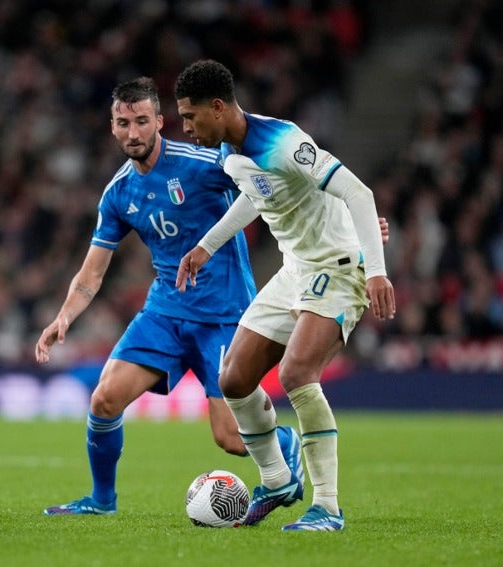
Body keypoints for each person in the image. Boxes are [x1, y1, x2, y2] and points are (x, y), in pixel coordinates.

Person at [35, 77, 304, 516]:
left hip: (225, 314)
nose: (133, 132)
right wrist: (64, 317)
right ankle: (102, 501)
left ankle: (286, 441)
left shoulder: (200, 165)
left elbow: (263, 188)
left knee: (230, 439)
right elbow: (92, 273)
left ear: (160, 121)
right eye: (124, 123)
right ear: (113, 127)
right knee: (104, 399)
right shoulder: (119, 193)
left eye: (142, 121)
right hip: (164, 313)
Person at [174, 59, 396, 531]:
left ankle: (328, 508)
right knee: (232, 378)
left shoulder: (284, 142)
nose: (187, 128)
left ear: (218, 107)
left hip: (338, 269)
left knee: (296, 373)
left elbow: (358, 194)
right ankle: (276, 479)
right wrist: (205, 247)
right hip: (294, 270)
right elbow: (256, 193)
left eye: (191, 117)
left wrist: (375, 270)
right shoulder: (228, 152)